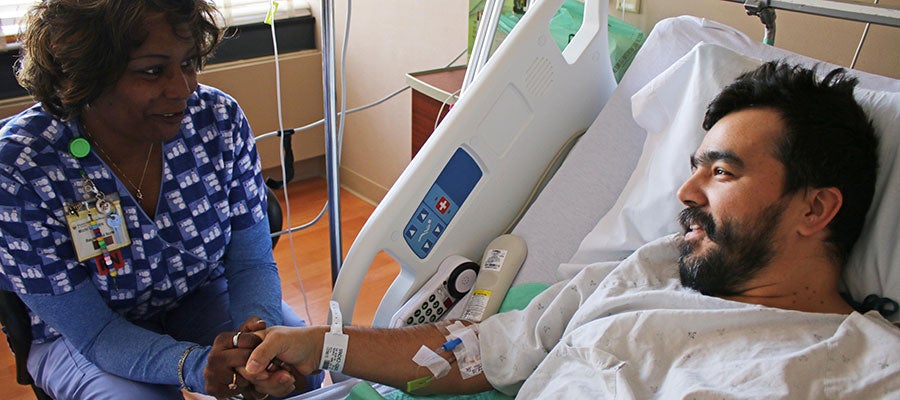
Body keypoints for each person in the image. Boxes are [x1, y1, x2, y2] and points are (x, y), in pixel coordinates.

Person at [213, 61, 899, 398]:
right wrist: (322, 344)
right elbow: (475, 352)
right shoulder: (648, 270)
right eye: (693, 168)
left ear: (816, 209)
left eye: (722, 172)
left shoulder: (865, 366)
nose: (685, 192)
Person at [0, 1, 322, 398]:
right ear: (85, 74)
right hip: (86, 333)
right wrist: (196, 365)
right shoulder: (21, 169)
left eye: (188, 63)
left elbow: (251, 261)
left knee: (296, 375)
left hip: (196, 293)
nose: (184, 88)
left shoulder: (217, 120)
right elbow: (94, 331)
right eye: (153, 71)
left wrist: (258, 341)